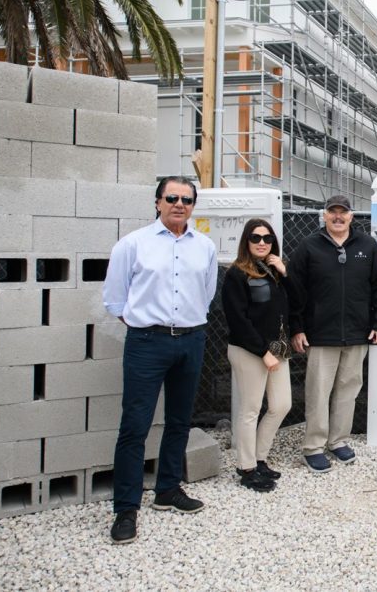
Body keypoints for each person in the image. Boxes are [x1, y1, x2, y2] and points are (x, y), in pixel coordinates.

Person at [102, 176, 218, 544]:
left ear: (193, 206)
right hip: (147, 342)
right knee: (134, 426)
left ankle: (168, 490)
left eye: (186, 199)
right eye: (171, 198)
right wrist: (146, 326)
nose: (179, 204)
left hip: (191, 340)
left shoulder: (205, 247)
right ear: (157, 202)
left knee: (179, 420)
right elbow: (115, 300)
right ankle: (125, 509)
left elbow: (207, 292)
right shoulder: (132, 245)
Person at [289, 195, 377, 472]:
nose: (337, 217)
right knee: (318, 394)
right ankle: (313, 447)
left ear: (351, 217)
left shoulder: (367, 246)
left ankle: (338, 441)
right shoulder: (309, 247)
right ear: (324, 216)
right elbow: (295, 290)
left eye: (342, 212)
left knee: (348, 392)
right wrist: (296, 328)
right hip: (320, 335)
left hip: (358, 334)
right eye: (332, 212)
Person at [222, 219, 298, 492]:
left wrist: (285, 273)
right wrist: (262, 352)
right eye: (256, 238)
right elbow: (237, 321)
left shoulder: (274, 271)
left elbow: (296, 303)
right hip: (249, 351)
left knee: (281, 405)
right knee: (250, 410)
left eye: (267, 238)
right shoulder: (236, 274)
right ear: (246, 241)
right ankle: (247, 467)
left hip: (277, 350)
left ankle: (260, 457)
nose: (262, 243)